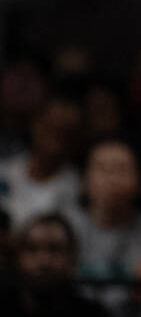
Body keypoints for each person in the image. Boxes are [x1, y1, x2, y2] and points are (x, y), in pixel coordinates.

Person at [65, 138, 141, 317]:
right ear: (83, 180)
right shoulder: (65, 229)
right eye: (102, 169)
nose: (112, 179)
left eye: (122, 169)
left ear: (139, 180)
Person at [0, 212, 113, 317]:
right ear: (17, 257)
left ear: (72, 258)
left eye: (54, 249)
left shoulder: (93, 315)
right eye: (32, 249)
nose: (44, 261)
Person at [0, 93, 83, 228]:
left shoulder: (77, 187)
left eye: (63, 133)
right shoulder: (5, 170)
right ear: (35, 124)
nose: (54, 141)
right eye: (50, 128)